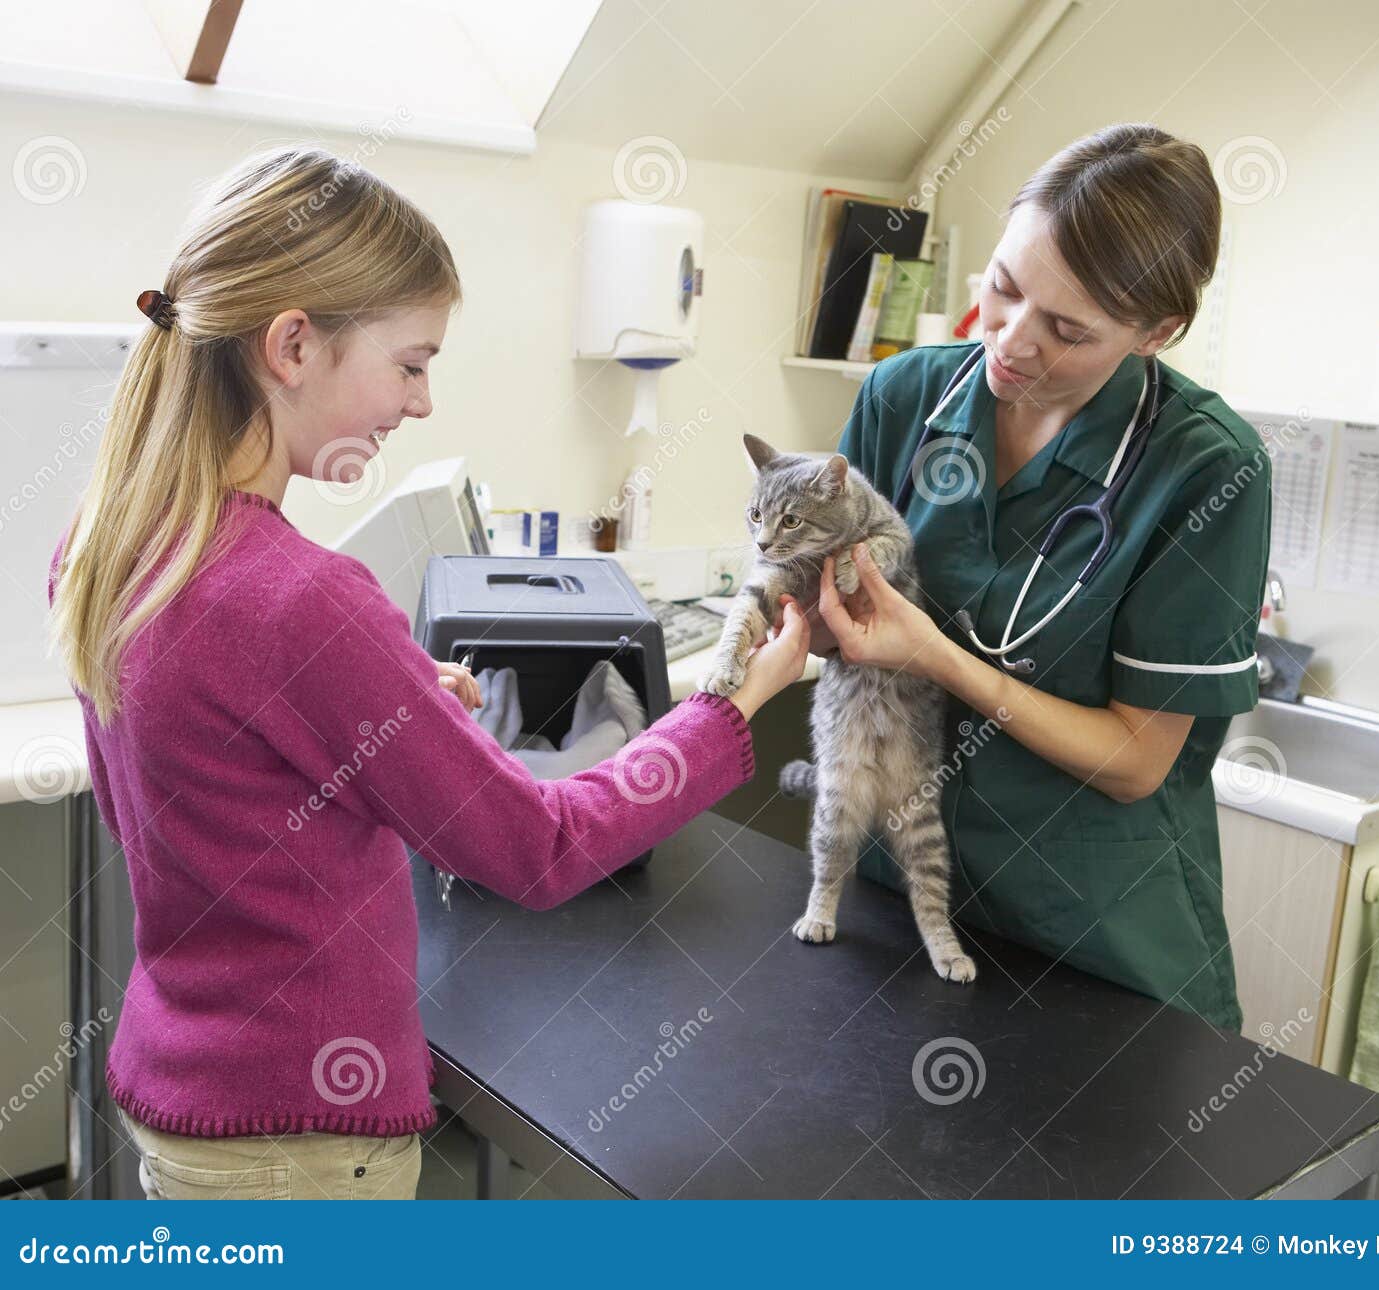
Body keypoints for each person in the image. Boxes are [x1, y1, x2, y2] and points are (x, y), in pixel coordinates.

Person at [47, 145, 809, 1199]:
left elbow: (189, 808)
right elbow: (540, 849)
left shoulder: (111, 544)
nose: (420, 404)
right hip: (300, 1143)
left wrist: (373, 726)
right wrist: (730, 707)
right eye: (409, 363)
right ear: (293, 345)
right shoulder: (298, 598)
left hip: (188, 1101)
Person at [803, 123, 1271, 1032]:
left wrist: (936, 656)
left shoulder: (1207, 469)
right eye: (1005, 288)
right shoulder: (904, 399)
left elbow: (1137, 761)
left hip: (1098, 945)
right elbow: (830, 613)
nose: (1011, 343)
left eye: (1068, 329)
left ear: (1157, 332)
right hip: (902, 910)